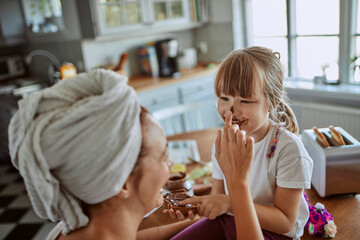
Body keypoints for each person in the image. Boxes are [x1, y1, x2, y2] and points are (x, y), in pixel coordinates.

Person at [8, 69, 263, 240]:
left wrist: (194, 223)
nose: (170, 164)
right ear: (121, 183)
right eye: (163, 155)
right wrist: (238, 185)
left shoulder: (71, 228)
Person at [167, 46, 313, 240]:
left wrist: (228, 203)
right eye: (224, 98)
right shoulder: (223, 143)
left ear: (272, 102)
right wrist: (200, 207)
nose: (231, 110)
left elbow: (285, 221)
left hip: (275, 234)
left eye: (245, 100)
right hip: (230, 220)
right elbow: (218, 199)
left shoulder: (288, 150)